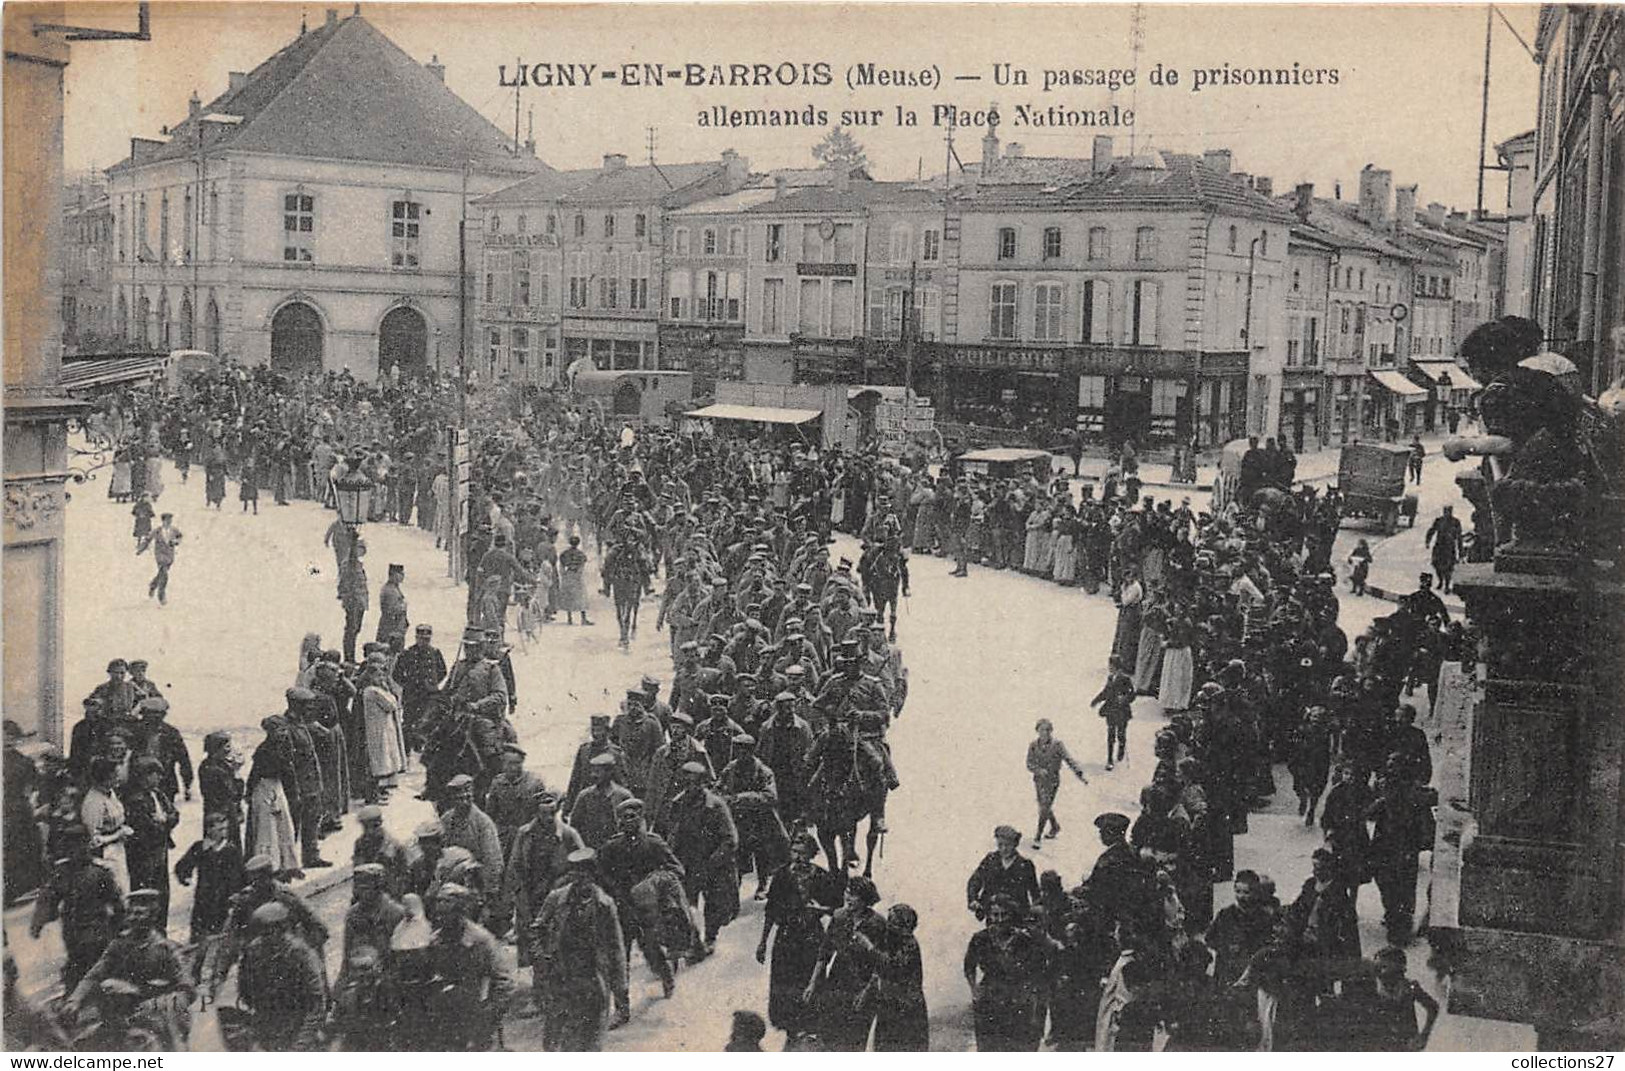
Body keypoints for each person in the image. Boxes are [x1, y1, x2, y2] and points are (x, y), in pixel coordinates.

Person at [533, 849, 630, 1050]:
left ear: (594, 875)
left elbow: (616, 947)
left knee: (590, 1040)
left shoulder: (605, 905)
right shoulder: (556, 898)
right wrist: (542, 957)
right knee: (554, 1039)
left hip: (592, 980)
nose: (581, 878)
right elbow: (537, 929)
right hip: (561, 976)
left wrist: (620, 986)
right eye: (576, 873)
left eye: (586, 873)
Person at [757, 831, 839, 1041]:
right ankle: (791, 1025)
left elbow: (835, 908)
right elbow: (771, 910)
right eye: (794, 852)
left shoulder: (820, 876)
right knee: (786, 979)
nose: (797, 857)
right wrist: (763, 942)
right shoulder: (782, 875)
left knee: (810, 977)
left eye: (802, 853)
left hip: (811, 935)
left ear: (812, 854)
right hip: (786, 936)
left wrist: (821, 909)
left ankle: (810, 1023)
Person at [29, 824, 125, 995]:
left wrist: (120, 928)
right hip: (73, 931)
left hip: (97, 930)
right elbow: (48, 898)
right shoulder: (62, 873)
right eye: (71, 846)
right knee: (77, 965)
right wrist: (38, 922)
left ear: (87, 845)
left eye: (80, 844)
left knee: (97, 968)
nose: (76, 850)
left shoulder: (100, 873)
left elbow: (117, 903)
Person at [805, 875, 887, 1051]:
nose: (847, 898)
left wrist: (865, 993)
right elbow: (824, 953)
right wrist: (812, 983)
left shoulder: (878, 924)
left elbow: (880, 965)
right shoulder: (839, 917)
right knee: (830, 1035)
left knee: (855, 1040)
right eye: (846, 892)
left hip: (863, 986)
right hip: (837, 982)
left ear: (866, 900)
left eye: (854, 895)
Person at [236, 901, 327, 1050]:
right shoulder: (253, 953)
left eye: (273, 930)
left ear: (283, 928)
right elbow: (246, 993)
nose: (269, 937)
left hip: (301, 1027)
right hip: (270, 1030)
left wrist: (301, 1044)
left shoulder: (301, 954)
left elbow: (316, 1004)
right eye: (264, 932)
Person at [963, 893, 1045, 1051]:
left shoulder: (1024, 940)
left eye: (1004, 915)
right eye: (995, 915)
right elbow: (969, 966)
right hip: (989, 998)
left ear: (1012, 915)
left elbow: (1037, 971)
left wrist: (1031, 997)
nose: (999, 920)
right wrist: (974, 989)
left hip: (1017, 999)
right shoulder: (980, 939)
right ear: (990, 916)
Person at [1351, 946, 1440, 1050]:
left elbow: (1433, 1007)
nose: (1379, 972)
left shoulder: (1410, 987)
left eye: (1384, 967)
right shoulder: (1372, 988)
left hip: (1406, 1043)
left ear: (1399, 969)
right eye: (1377, 967)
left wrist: (1424, 1035)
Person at [173, 810, 243, 943]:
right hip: (203, 900)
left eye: (225, 829)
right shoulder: (200, 848)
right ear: (209, 830)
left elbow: (239, 876)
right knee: (200, 939)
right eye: (220, 829)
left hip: (224, 900)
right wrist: (185, 877)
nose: (224, 833)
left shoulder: (231, 851)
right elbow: (182, 866)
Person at [869, 902, 929, 1051]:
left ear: (904, 926)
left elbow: (892, 966)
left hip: (907, 1007)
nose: (888, 925)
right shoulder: (893, 942)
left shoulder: (909, 944)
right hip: (891, 1005)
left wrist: (869, 947)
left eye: (893, 922)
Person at [1026, 718, 1087, 847]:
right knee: (1044, 806)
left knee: (1044, 807)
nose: (1045, 733)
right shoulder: (1033, 745)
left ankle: (1038, 837)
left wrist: (1079, 773)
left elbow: (1068, 759)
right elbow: (1029, 763)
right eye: (1042, 730)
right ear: (1037, 731)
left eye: (1048, 730)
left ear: (1051, 731)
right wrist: (1038, 770)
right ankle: (1054, 826)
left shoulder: (1057, 745)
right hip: (1038, 781)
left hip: (1052, 781)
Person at [966, 825, 1040, 919]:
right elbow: (975, 880)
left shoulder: (1025, 865)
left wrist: (1035, 913)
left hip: (1016, 915)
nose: (1004, 849)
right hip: (992, 913)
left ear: (1015, 844)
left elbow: (1035, 892)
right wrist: (973, 899)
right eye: (1000, 845)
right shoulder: (990, 860)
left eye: (1008, 845)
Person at [1090, 661, 1136, 771]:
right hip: (1111, 710)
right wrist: (1096, 701)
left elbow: (1132, 694)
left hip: (1122, 711)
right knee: (1110, 735)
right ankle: (1110, 759)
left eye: (1112, 667)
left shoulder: (1125, 679)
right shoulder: (1110, 678)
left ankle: (1121, 748)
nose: (1110, 668)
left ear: (1118, 668)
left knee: (1121, 733)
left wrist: (1124, 698)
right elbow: (1106, 692)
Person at [143, 512, 182, 605]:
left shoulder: (174, 530)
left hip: (170, 555)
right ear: (163, 521)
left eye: (170, 520)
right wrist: (141, 549)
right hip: (160, 554)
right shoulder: (157, 531)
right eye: (167, 520)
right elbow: (148, 539)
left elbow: (180, 537)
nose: (169, 522)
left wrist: (176, 542)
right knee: (164, 573)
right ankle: (161, 595)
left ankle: (153, 585)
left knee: (162, 573)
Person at [1425, 506, 1463, 594]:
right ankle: (1441, 581)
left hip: (1449, 547)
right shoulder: (1439, 521)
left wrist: (1461, 551)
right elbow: (1432, 530)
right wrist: (1427, 541)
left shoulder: (1455, 522)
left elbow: (1459, 537)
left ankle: (1447, 585)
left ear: (1451, 512)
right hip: (1439, 546)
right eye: (1445, 511)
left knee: (1448, 567)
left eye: (1448, 511)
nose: (1446, 513)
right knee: (1436, 564)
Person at [557, 534, 593, 625]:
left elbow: (561, 567)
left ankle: (569, 618)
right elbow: (581, 567)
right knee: (581, 597)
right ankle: (583, 618)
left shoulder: (564, 554)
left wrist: (564, 575)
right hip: (577, 576)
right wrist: (578, 575)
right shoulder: (580, 554)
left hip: (568, 575)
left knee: (568, 597)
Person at [376, 563, 409, 650]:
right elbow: (392, 610)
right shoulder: (390, 591)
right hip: (391, 627)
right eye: (400, 574)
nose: (403, 576)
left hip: (394, 626)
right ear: (393, 575)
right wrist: (403, 606)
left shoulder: (393, 588)